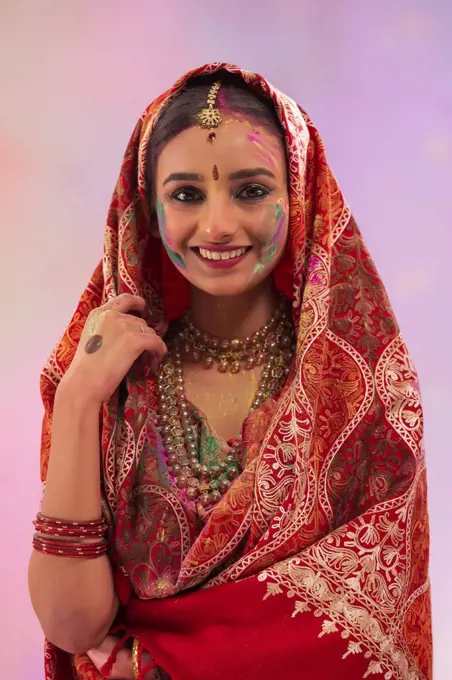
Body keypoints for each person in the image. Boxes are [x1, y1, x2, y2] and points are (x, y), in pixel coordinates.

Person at [28, 63, 432, 680]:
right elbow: (74, 626)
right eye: (186, 194)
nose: (217, 226)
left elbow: (373, 628)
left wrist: (160, 664)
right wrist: (81, 399)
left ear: (298, 196)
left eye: (250, 190)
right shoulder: (108, 381)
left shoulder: (351, 384)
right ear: (146, 206)